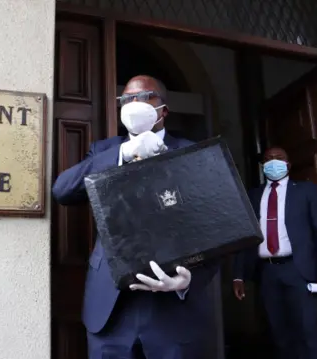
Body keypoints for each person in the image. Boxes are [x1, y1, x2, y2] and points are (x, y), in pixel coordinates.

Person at [52, 75, 219, 359]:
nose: (134, 104)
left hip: (172, 308)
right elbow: (63, 190)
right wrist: (123, 152)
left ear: (163, 109)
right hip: (112, 306)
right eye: (127, 99)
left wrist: (192, 279)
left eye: (144, 97)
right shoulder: (104, 151)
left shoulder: (192, 152)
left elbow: (218, 223)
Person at [232, 147, 317, 359]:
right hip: (267, 273)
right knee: (279, 336)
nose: (273, 162)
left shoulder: (306, 191)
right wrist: (238, 274)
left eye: (279, 158)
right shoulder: (253, 195)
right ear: (263, 166)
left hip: (300, 271)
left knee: (308, 332)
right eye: (268, 159)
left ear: (288, 164)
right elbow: (244, 237)